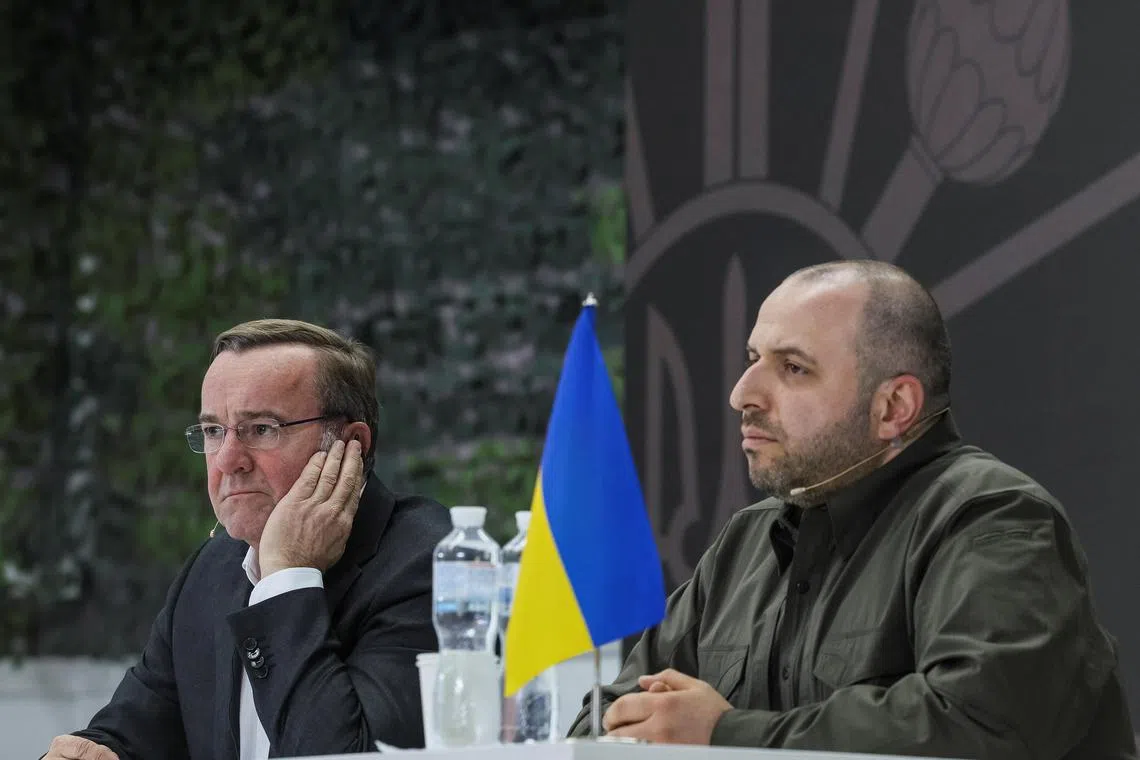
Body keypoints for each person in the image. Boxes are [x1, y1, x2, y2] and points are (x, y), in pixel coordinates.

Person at [569, 260, 1137, 758]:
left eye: (793, 367)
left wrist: (725, 735)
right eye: (752, 358)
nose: (743, 393)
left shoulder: (993, 520)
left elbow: (981, 724)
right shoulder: (748, 541)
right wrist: (630, 728)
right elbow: (613, 706)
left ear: (894, 407)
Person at [44, 319, 452, 760]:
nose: (228, 460)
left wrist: (288, 576)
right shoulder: (213, 567)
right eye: (214, 431)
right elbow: (131, 733)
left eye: (261, 429)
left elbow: (342, 753)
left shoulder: (431, 561)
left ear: (349, 444)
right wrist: (98, 752)